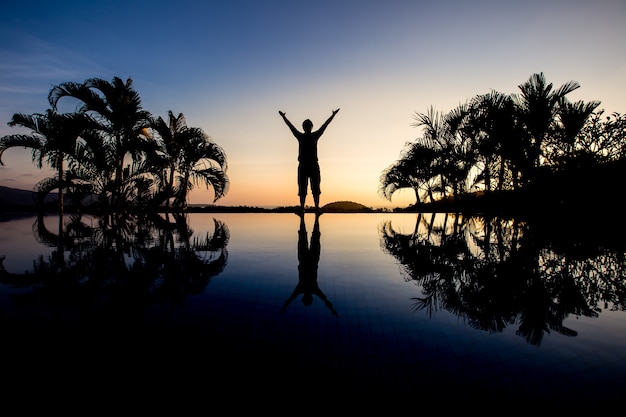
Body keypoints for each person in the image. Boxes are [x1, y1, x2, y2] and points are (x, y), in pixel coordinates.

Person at [279, 108, 340, 213]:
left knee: (315, 187)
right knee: (303, 187)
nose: (307, 127)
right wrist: (284, 117)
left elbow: (325, 125)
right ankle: (303, 208)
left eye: (308, 126)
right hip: (304, 165)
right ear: (305, 127)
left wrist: (333, 115)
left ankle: (315, 208)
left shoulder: (311, 136)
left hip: (312, 165)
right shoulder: (302, 136)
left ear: (310, 127)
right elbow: (291, 126)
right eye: (306, 126)